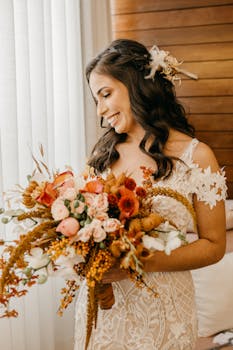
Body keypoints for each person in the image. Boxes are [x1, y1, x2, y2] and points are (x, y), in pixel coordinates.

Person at [74, 39, 227, 350]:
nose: (101, 111)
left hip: (164, 315)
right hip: (104, 314)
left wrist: (138, 263)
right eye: (96, 100)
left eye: (106, 94)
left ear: (135, 86)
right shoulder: (102, 156)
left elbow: (214, 246)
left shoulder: (197, 157)